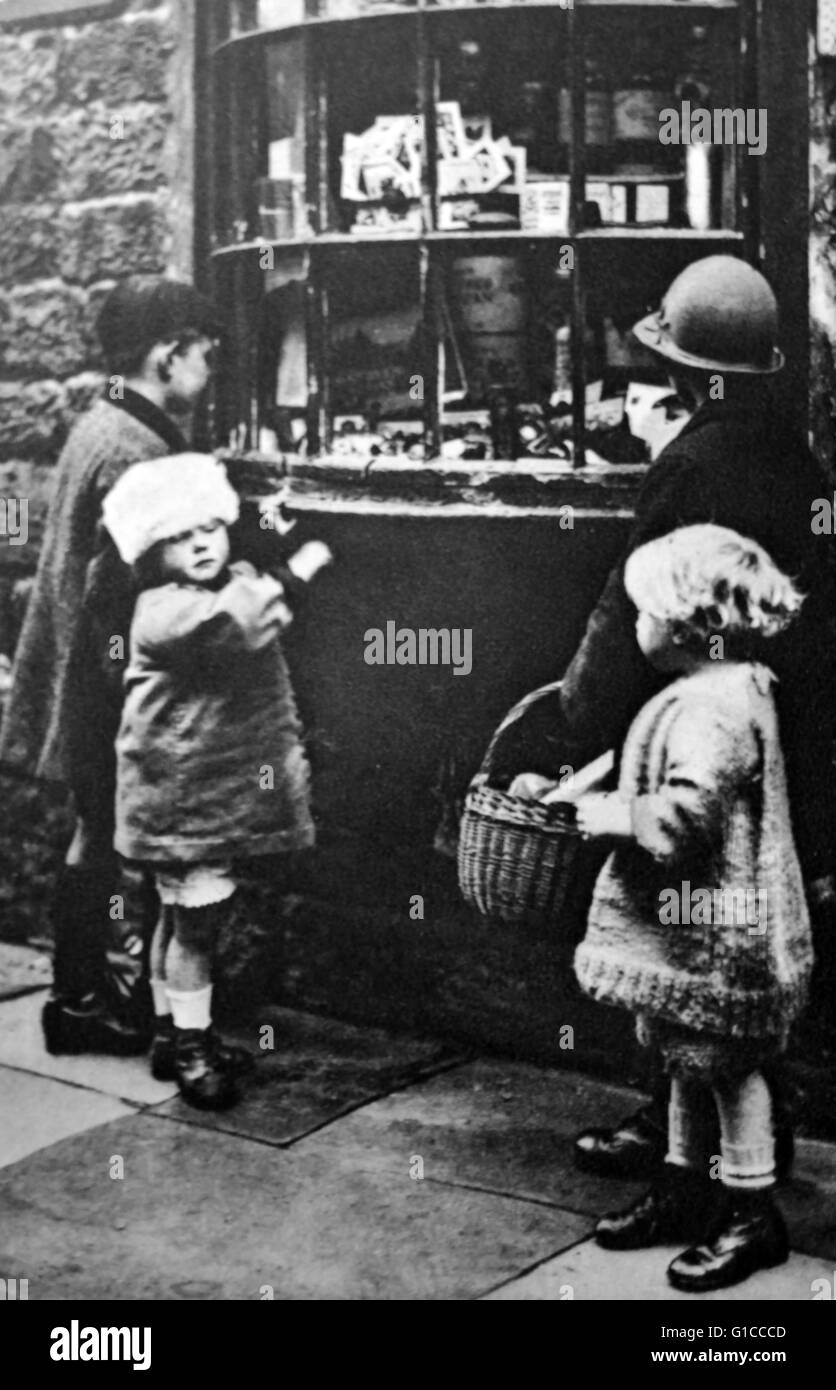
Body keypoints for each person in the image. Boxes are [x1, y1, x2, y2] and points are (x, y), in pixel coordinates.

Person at [489, 255, 836, 1177]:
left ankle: (697, 1136)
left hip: (688, 725)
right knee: (744, 935)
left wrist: (573, 724)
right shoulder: (792, 452)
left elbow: (626, 606)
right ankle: (733, 1118)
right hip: (778, 722)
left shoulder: (688, 462)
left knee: (682, 938)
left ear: (687, 370)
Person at [571, 524, 812, 1292]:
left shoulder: (714, 707)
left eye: (643, 614)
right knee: (686, 1060)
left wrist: (620, 816)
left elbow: (689, 812)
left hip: (721, 936)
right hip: (703, 928)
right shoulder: (720, 688)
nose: (636, 627)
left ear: (686, 626)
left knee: (729, 1069)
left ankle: (751, 1211)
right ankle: (685, 1184)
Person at [0, 276, 222, 1055]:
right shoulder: (142, 449)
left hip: (80, 669)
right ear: (168, 354)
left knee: (92, 833)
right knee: (110, 836)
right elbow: (116, 592)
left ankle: (80, 994)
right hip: (107, 679)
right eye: (204, 352)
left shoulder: (104, 420)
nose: (211, 366)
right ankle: (93, 1000)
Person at [100, 454, 332, 1108]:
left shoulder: (208, 586)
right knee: (197, 931)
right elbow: (236, 624)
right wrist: (296, 568)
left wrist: (274, 540)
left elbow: (239, 593)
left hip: (185, 801)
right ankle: (193, 1052)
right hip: (186, 805)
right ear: (150, 550)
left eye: (210, 526)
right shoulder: (167, 610)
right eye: (179, 535)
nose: (201, 542)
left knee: (177, 922)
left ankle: (173, 1033)